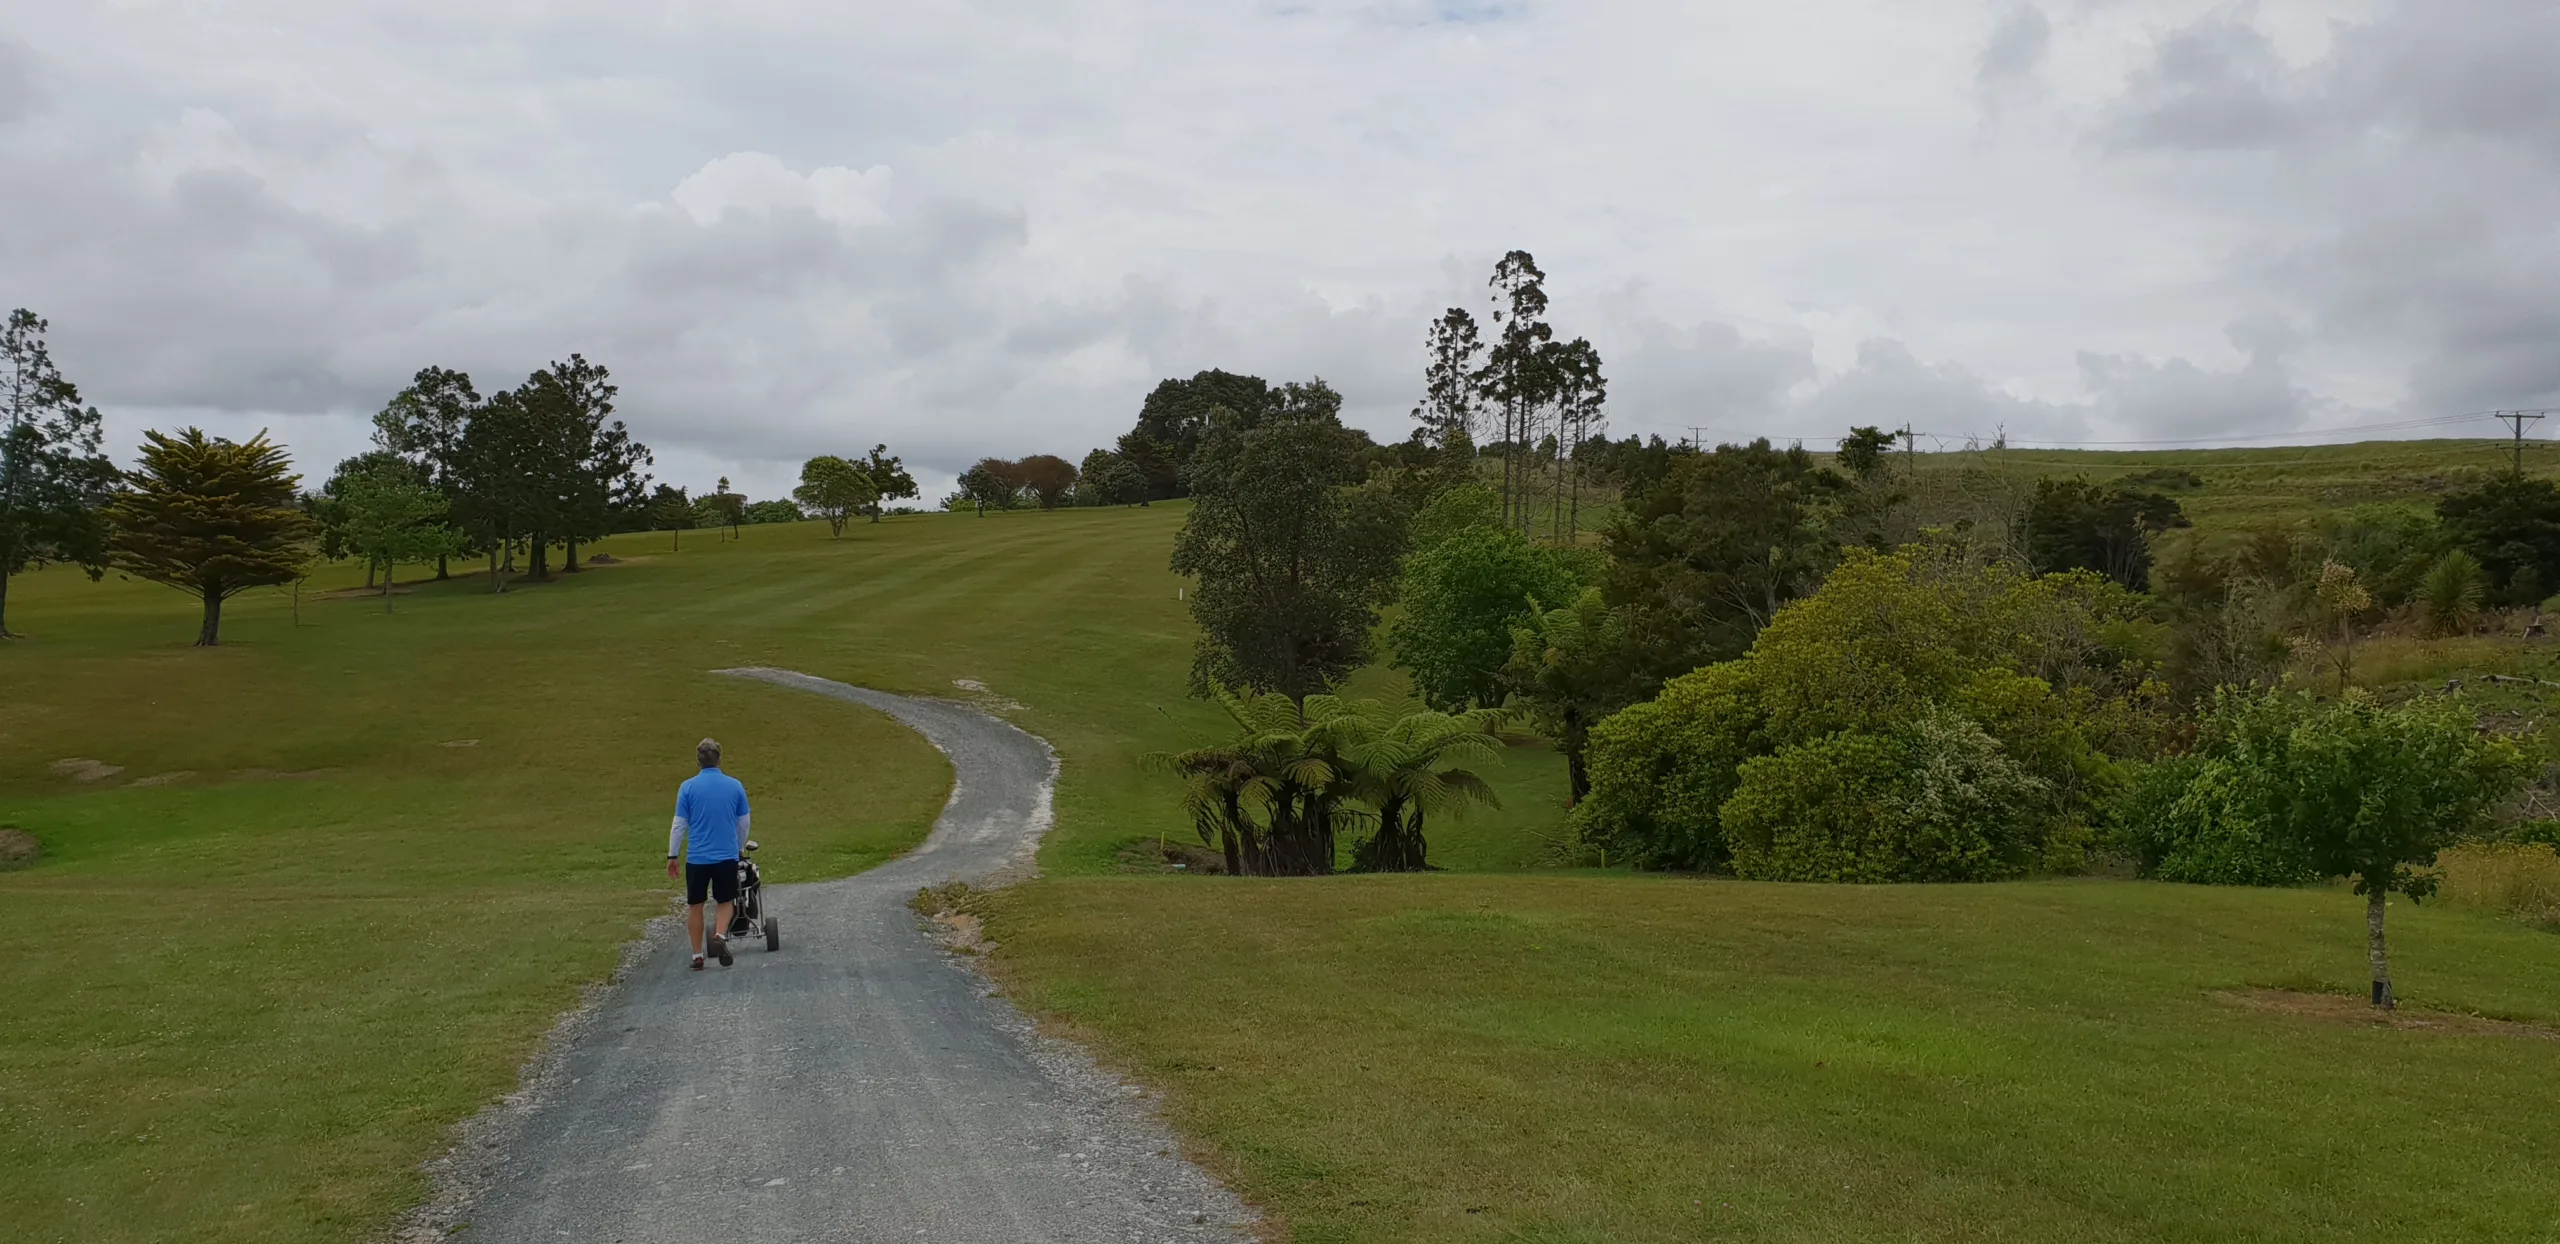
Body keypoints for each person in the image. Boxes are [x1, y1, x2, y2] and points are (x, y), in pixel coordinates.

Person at [666, 737, 751, 970]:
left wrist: (672, 856)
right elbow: (743, 822)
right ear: (719, 759)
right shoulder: (735, 786)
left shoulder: (688, 787)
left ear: (698, 761)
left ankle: (697, 955)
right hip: (725, 855)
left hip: (697, 858)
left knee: (695, 905)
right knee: (725, 901)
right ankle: (721, 935)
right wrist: (739, 846)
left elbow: (679, 824)